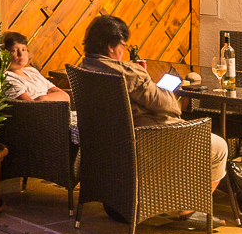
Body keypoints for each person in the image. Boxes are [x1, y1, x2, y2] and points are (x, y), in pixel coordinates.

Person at [76, 14, 227, 185]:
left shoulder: (83, 69)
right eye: (123, 45)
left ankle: (172, 195)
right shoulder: (129, 73)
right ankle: (189, 207)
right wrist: (164, 91)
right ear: (111, 46)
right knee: (219, 147)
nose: (124, 51)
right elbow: (171, 108)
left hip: (110, 145)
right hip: (150, 140)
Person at [2, 31, 68, 103]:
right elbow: (32, 106)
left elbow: (65, 96)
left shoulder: (32, 71)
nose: (21, 54)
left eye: (24, 49)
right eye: (14, 50)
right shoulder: (8, 78)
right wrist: (47, 99)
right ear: (4, 55)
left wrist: (42, 99)